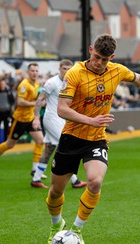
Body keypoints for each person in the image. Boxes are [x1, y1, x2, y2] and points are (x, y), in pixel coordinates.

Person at [45, 34, 140, 244]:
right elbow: (62, 109)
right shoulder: (74, 74)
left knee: (95, 181)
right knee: (55, 192)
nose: (100, 63)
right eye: (97, 57)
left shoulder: (116, 71)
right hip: (71, 138)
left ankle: (77, 231)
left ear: (112, 57)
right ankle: (56, 226)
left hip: (96, 140)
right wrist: (91, 120)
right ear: (91, 50)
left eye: (105, 59)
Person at [31, 59, 87, 189]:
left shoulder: (72, 82)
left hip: (62, 119)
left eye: (69, 69)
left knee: (49, 149)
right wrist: (36, 118)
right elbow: (40, 100)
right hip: (51, 119)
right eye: (64, 69)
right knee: (67, 145)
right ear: (59, 69)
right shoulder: (52, 82)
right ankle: (75, 180)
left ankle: (36, 178)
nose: (66, 71)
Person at [0, 63, 44, 179]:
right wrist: (35, 103)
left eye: (36, 71)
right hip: (20, 119)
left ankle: (34, 170)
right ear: (28, 72)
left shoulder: (37, 84)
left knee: (40, 141)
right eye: (32, 71)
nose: (35, 73)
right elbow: (20, 102)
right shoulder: (24, 85)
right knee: (10, 144)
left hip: (30, 118)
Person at [0, 78, 15, 148]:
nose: (2, 85)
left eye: (3, 84)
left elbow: (12, 101)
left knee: (6, 127)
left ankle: (5, 142)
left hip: (7, 113)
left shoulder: (9, 92)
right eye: (1, 84)